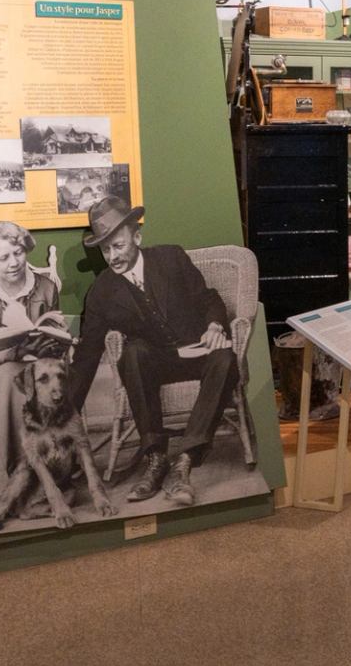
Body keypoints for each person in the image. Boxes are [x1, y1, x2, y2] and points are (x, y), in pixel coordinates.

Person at [68, 197, 237, 507]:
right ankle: (156, 457)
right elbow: (87, 356)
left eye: (117, 246)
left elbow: (208, 298)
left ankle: (184, 461)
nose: (112, 257)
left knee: (226, 358)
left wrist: (215, 326)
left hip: (199, 352)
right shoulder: (102, 292)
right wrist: (64, 411)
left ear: (137, 237)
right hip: (157, 362)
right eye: (105, 250)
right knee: (132, 352)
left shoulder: (171, 258)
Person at [0, 221, 69, 510]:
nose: (14, 263)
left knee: (39, 379)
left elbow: (56, 335)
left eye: (18, 253)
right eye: (3, 258)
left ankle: (49, 477)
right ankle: (14, 485)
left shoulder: (45, 286)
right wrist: (16, 350)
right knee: (12, 378)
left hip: (36, 365)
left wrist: (54, 344)